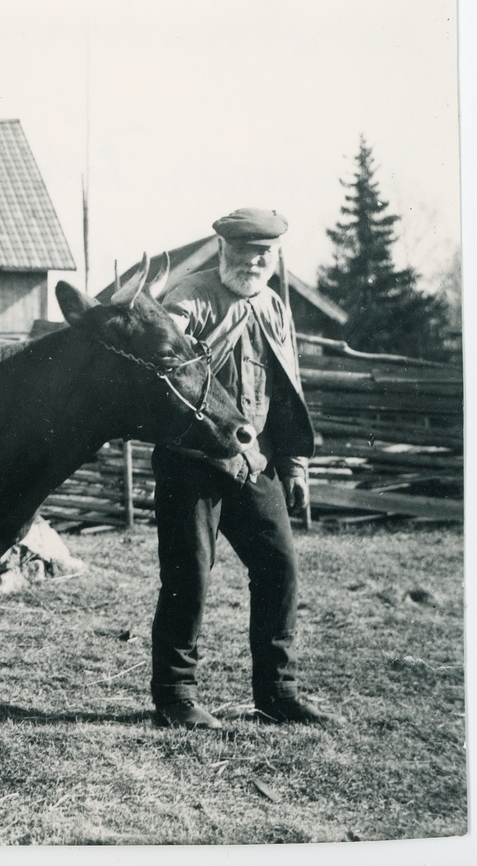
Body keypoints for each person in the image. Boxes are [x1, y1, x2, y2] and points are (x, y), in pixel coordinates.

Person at [150, 207, 339, 729]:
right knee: (188, 576)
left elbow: (287, 389)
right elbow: (169, 363)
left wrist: (296, 466)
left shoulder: (276, 307)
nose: (255, 263)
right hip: (192, 463)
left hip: (256, 462)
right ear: (223, 250)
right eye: (245, 252)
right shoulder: (190, 296)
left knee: (279, 568)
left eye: (265, 254)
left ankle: (277, 693)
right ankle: (175, 695)